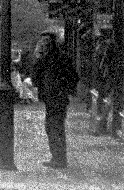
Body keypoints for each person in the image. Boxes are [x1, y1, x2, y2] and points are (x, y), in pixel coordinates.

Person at [32, 31, 79, 169]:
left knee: (54, 127)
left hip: (57, 98)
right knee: (52, 127)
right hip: (51, 98)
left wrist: (62, 89)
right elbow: (35, 77)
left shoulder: (59, 58)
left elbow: (73, 77)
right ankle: (57, 157)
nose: (44, 44)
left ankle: (59, 159)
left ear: (52, 43)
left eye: (46, 41)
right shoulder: (45, 58)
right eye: (42, 41)